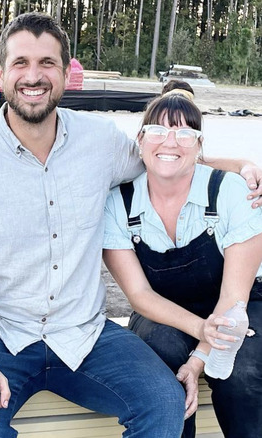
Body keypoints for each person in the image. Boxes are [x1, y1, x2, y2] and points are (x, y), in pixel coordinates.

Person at [0, 12, 262, 437]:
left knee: (165, 403)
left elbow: (164, 157)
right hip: (0, 332)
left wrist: (239, 166)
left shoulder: (99, 141)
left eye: (47, 63)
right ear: (0, 73)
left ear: (67, 74)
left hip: (84, 332)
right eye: (21, 63)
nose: (34, 76)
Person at [103, 93, 262, 438]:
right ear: (140, 140)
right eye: (158, 130)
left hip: (241, 302)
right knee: (160, 353)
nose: (171, 141)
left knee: (243, 370)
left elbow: (234, 298)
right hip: (161, 305)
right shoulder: (118, 203)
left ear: (199, 146)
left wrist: (199, 358)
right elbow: (139, 295)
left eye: (185, 133)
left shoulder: (234, 192)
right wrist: (200, 332)